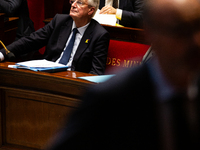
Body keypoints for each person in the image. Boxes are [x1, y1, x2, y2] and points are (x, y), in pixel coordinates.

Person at [45, 0, 200, 149]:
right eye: (181, 30)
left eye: (198, 27)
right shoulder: (111, 96)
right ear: (152, 35)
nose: (195, 41)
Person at [0, 0, 110, 75]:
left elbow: (96, 73)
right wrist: (3, 53)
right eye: (73, 1)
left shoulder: (99, 35)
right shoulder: (60, 21)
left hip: (73, 83)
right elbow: (31, 40)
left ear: (91, 10)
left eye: (80, 2)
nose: (73, 5)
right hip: (48, 76)